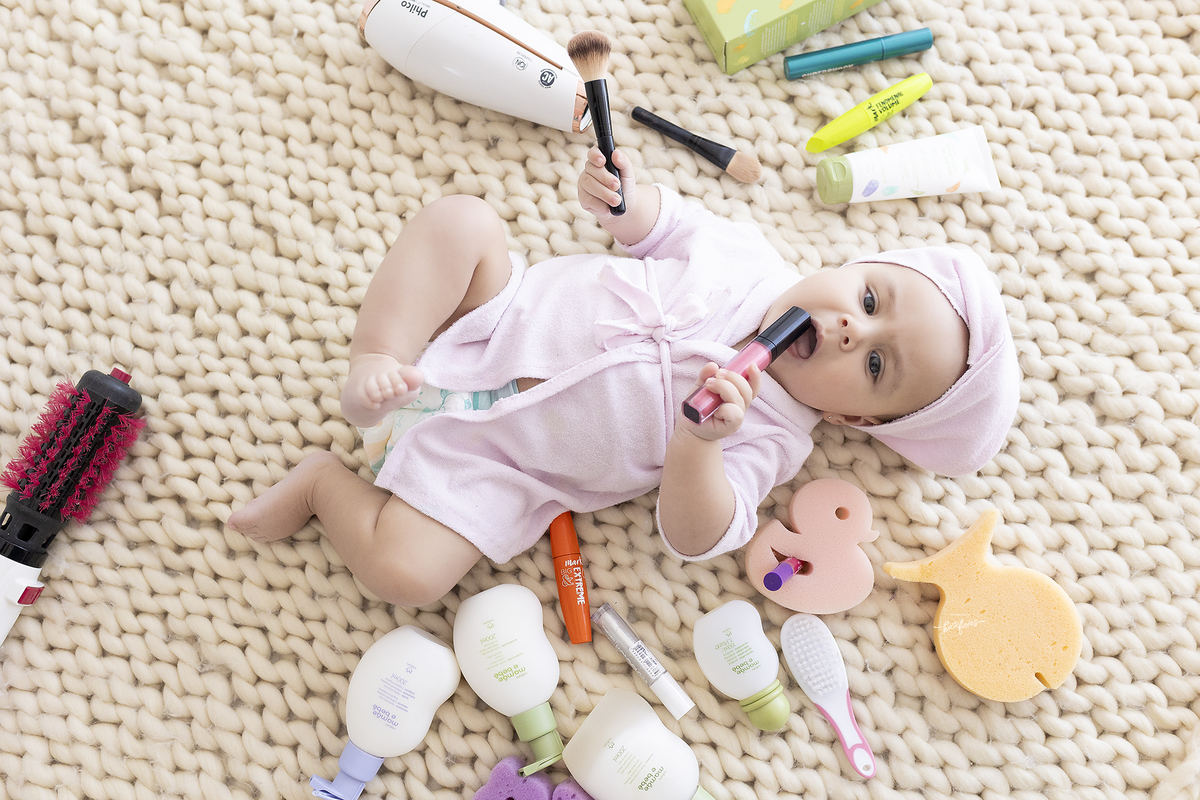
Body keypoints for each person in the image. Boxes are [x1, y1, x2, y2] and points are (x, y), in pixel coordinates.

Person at [228, 147, 1020, 607]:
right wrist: (619, 196)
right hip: (492, 317)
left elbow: (696, 535)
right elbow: (657, 224)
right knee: (461, 223)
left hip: (501, 467)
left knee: (408, 574)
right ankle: (379, 351)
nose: (853, 327)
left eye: (876, 364)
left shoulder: (774, 435)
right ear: (850, 265)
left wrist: (700, 446)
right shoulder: (745, 255)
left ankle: (322, 486)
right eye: (871, 298)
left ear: (855, 422)